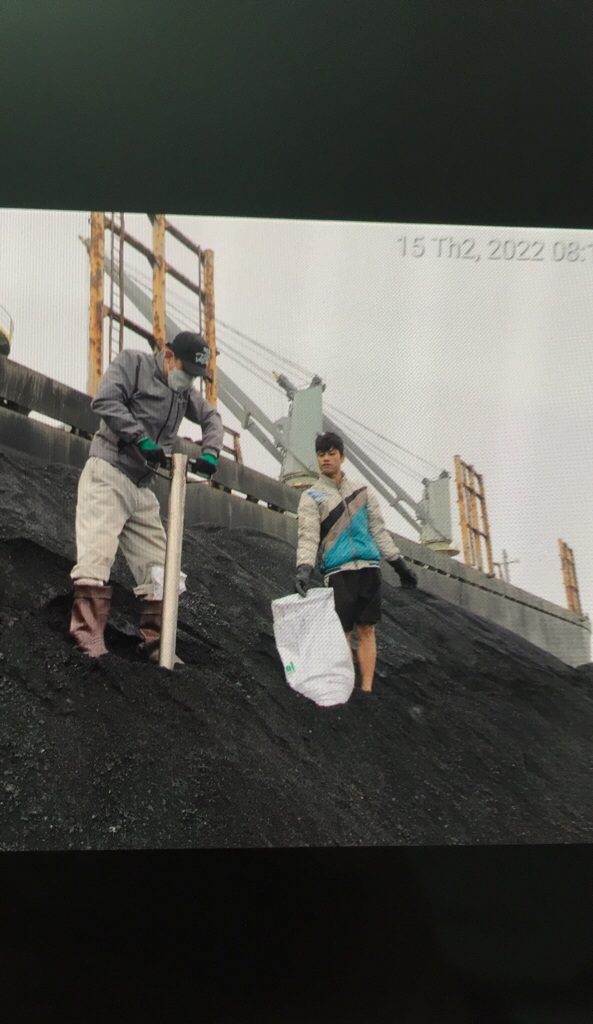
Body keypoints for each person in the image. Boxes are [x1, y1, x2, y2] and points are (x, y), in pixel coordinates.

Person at [69, 331, 224, 660]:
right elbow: (105, 400)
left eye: (195, 376)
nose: (188, 381)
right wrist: (140, 438)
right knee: (96, 556)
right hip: (109, 473)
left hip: (142, 489)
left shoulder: (184, 391)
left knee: (161, 571)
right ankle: (86, 636)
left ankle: (158, 645)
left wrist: (211, 451)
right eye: (186, 372)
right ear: (169, 357)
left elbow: (212, 417)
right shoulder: (133, 363)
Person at [295, 431, 418, 692]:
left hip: (369, 569)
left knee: (367, 630)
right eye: (321, 454)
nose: (325, 459)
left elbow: (378, 531)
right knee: (342, 632)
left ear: (342, 456)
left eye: (331, 453)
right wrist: (304, 569)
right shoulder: (311, 496)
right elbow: (308, 536)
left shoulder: (363, 492)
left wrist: (399, 565)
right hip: (338, 571)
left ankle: (367, 690)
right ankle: (346, 688)